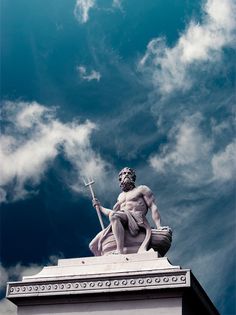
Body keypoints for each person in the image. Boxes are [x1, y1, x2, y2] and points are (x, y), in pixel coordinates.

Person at [91, 167, 162, 254]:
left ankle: (119, 250)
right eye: (124, 173)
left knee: (114, 215)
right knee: (93, 245)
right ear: (120, 179)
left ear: (133, 177)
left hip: (137, 218)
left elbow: (153, 207)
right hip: (122, 218)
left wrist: (159, 226)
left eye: (129, 173)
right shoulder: (120, 196)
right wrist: (99, 206)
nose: (126, 175)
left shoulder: (142, 189)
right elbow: (112, 213)